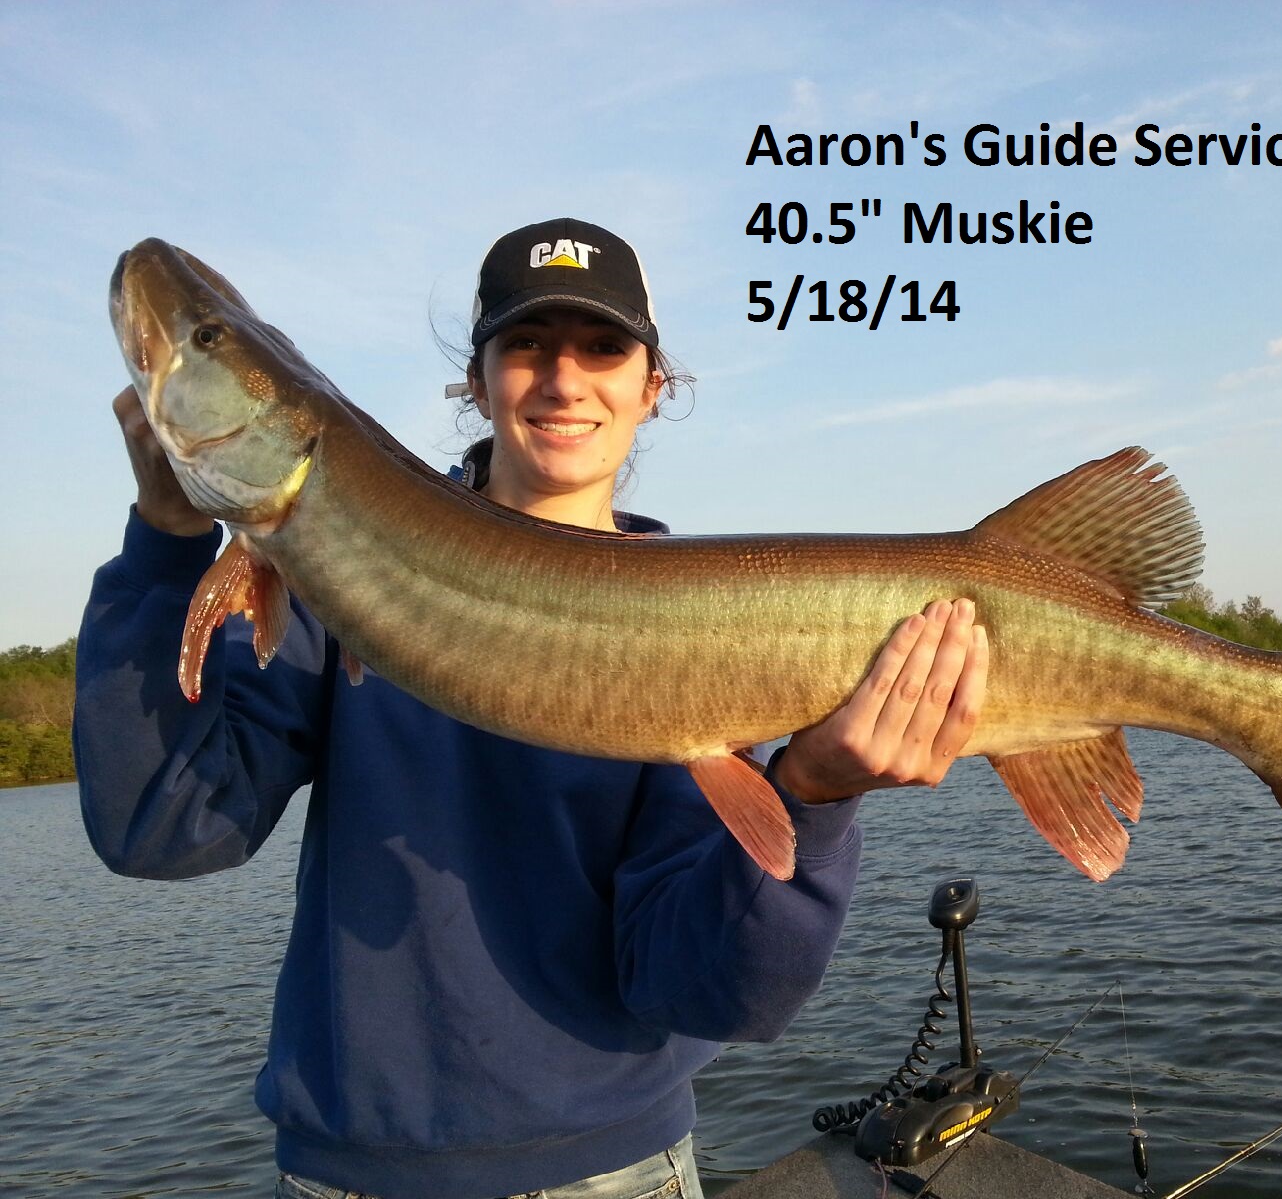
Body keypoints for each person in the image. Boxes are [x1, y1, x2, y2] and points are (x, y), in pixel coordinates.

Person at [75, 217, 988, 1199]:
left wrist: (808, 796)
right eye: (525, 345)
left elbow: (709, 991)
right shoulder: (320, 594)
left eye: (602, 347)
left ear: (653, 387)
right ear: (477, 381)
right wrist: (165, 542)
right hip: (349, 1174)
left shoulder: (705, 634)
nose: (562, 379)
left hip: (613, 1173)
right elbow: (161, 830)